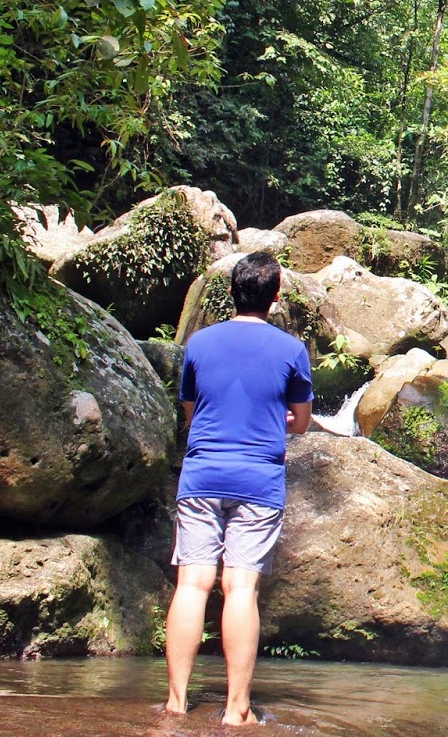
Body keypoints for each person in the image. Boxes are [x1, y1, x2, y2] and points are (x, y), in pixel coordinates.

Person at [164, 251, 313, 726]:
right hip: (258, 479)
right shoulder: (291, 350)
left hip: (202, 474)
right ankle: (237, 710)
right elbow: (303, 423)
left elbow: (192, 410)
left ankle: (175, 702)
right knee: (240, 587)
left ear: (231, 292)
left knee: (192, 583)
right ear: (275, 296)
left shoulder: (199, 344)